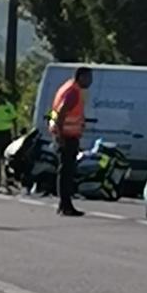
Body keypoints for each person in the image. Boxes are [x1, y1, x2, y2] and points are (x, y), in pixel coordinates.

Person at [49, 66, 93, 217]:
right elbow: (61, 113)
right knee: (66, 172)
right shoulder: (73, 92)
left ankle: (65, 204)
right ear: (80, 77)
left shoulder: (68, 88)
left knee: (66, 171)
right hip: (66, 137)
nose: (90, 81)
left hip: (67, 135)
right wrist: (61, 136)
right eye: (88, 78)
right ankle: (65, 205)